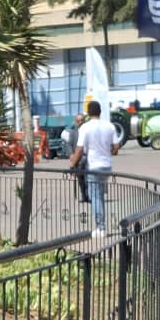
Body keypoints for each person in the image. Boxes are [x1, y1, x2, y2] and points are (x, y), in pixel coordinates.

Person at [69, 100, 119, 238]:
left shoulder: (85, 127)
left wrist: (72, 164)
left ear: (88, 113)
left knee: (95, 197)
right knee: (100, 195)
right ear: (100, 111)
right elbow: (116, 147)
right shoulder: (109, 126)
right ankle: (101, 225)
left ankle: (101, 227)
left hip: (94, 165)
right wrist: (108, 152)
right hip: (106, 165)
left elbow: (79, 149)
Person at [64, 113, 89, 201]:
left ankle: (89, 195)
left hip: (86, 158)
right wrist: (71, 154)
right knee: (80, 179)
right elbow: (69, 144)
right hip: (77, 159)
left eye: (82, 120)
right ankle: (84, 196)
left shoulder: (87, 131)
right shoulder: (73, 132)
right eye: (78, 121)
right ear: (75, 121)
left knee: (87, 178)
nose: (80, 122)